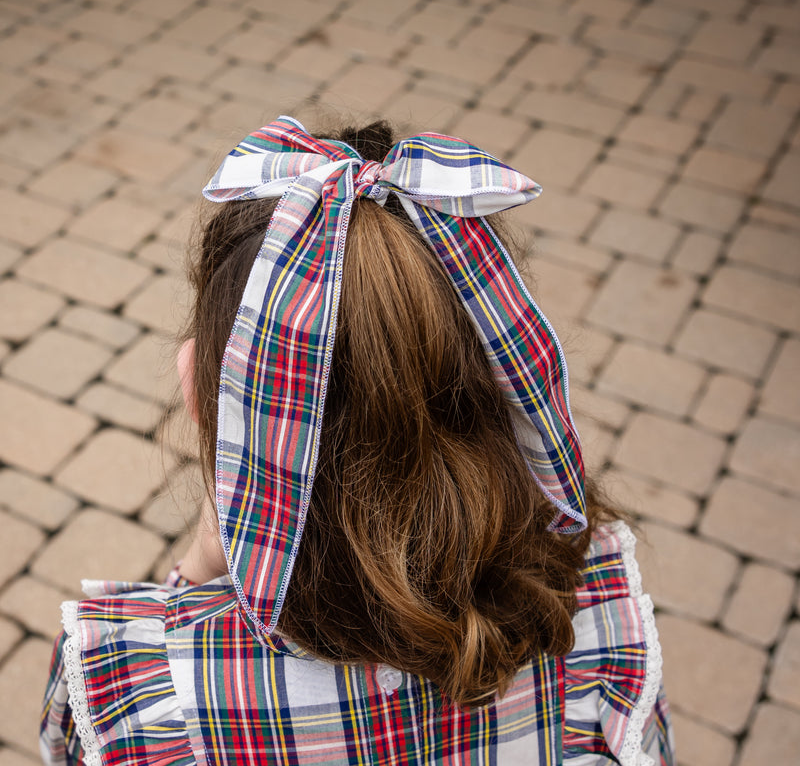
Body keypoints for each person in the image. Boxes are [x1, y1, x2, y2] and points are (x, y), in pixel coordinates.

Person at [41, 116, 675, 765]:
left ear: (197, 390)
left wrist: (198, 569)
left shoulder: (144, 704)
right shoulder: (594, 635)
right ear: (499, 378)